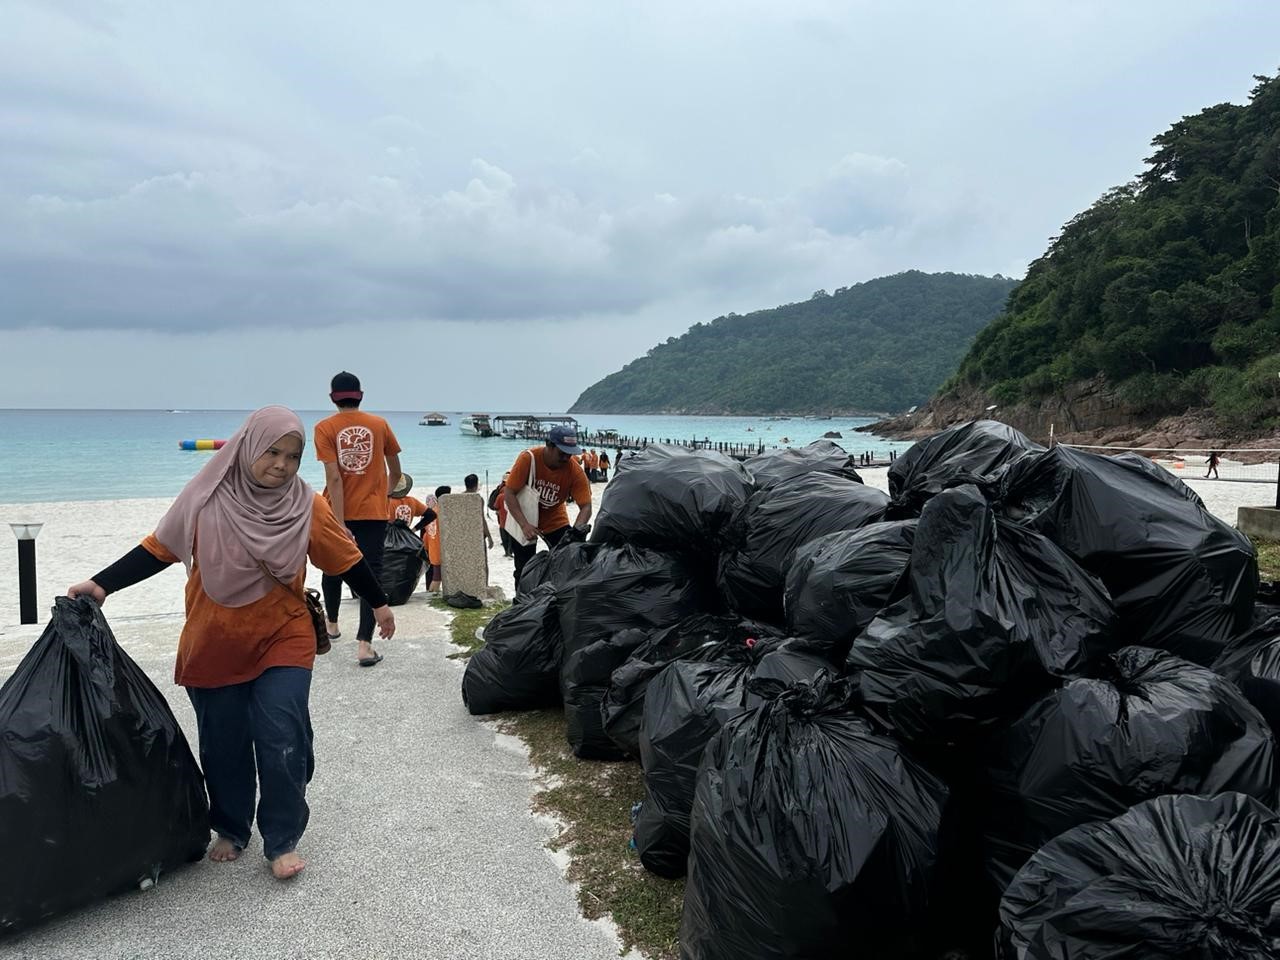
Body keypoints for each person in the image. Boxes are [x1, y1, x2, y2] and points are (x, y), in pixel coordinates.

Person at [67, 406, 395, 880]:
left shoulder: (306, 505)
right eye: (272, 452)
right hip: (213, 638)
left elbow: (346, 558)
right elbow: (158, 548)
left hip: (283, 636)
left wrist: (380, 604)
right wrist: (102, 584)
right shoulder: (204, 498)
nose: (282, 464)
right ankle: (232, 826)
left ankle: (282, 838)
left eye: (293, 456)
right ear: (246, 448)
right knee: (223, 744)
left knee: (281, 733)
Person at [314, 371, 401, 666]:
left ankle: (333, 625)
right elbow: (397, 472)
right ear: (360, 395)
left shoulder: (324, 428)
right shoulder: (379, 425)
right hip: (373, 513)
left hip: (335, 513)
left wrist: (339, 522)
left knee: (333, 567)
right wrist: (383, 494)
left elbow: (333, 477)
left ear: (332, 398)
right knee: (371, 577)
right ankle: (365, 646)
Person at [504, 424, 592, 588]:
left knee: (566, 563)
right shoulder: (528, 459)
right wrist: (524, 525)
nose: (566, 458)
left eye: (570, 454)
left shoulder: (575, 471)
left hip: (555, 519)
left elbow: (586, 506)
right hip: (524, 517)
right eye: (562, 453)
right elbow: (510, 493)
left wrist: (574, 534)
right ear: (549, 445)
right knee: (523, 569)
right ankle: (522, 605)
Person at [415, 485, 450, 590]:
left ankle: (431, 594)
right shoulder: (442, 511)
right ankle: (431, 596)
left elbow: (425, 535)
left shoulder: (430, 513)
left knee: (436, 577)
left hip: (433, 550)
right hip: (441, 550)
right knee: (437, 579)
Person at [464, 473, 495, 551]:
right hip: (477, 534)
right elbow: (482, 519)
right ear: (476, 485)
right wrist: (489, 536)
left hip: (464, 534)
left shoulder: (460, 497)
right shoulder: (478, 499)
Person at [489, 472, 515, 557]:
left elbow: (495, 506)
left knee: (504, 537)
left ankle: (507, 552)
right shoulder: (514, 493)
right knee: (511, 536)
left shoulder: (499, 493)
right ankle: (510, 551)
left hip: (502, 518)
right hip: (512, 518)